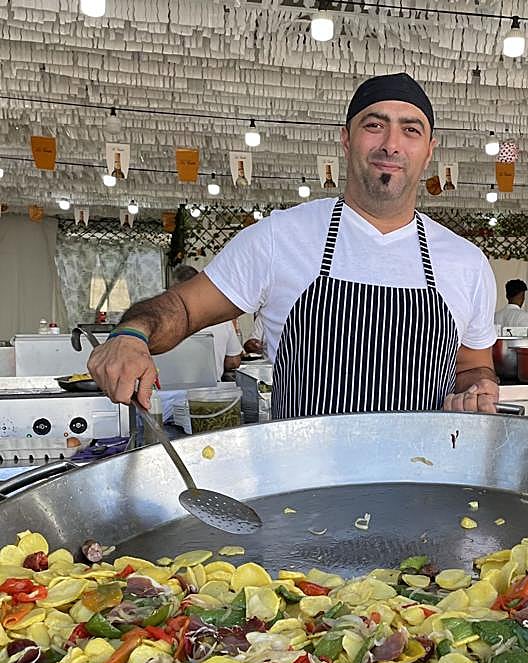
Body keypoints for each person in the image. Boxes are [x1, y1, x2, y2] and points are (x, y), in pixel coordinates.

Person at [88, 72, 499, 416]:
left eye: (411, 130)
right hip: (303, 490)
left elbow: (473, 366)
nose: (391, 144)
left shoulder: (465, 262)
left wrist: (479, 388)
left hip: (428, 484)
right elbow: (182, 308)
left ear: (429, 151)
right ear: (346, 139)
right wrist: (131, 335)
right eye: (374, 125)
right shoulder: (279, 238)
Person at [171, 264, 243, 375]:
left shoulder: (165, 319)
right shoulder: (221, 317)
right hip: (211, 388)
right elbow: (233, 362)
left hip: (168, 389)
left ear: (174, 289)